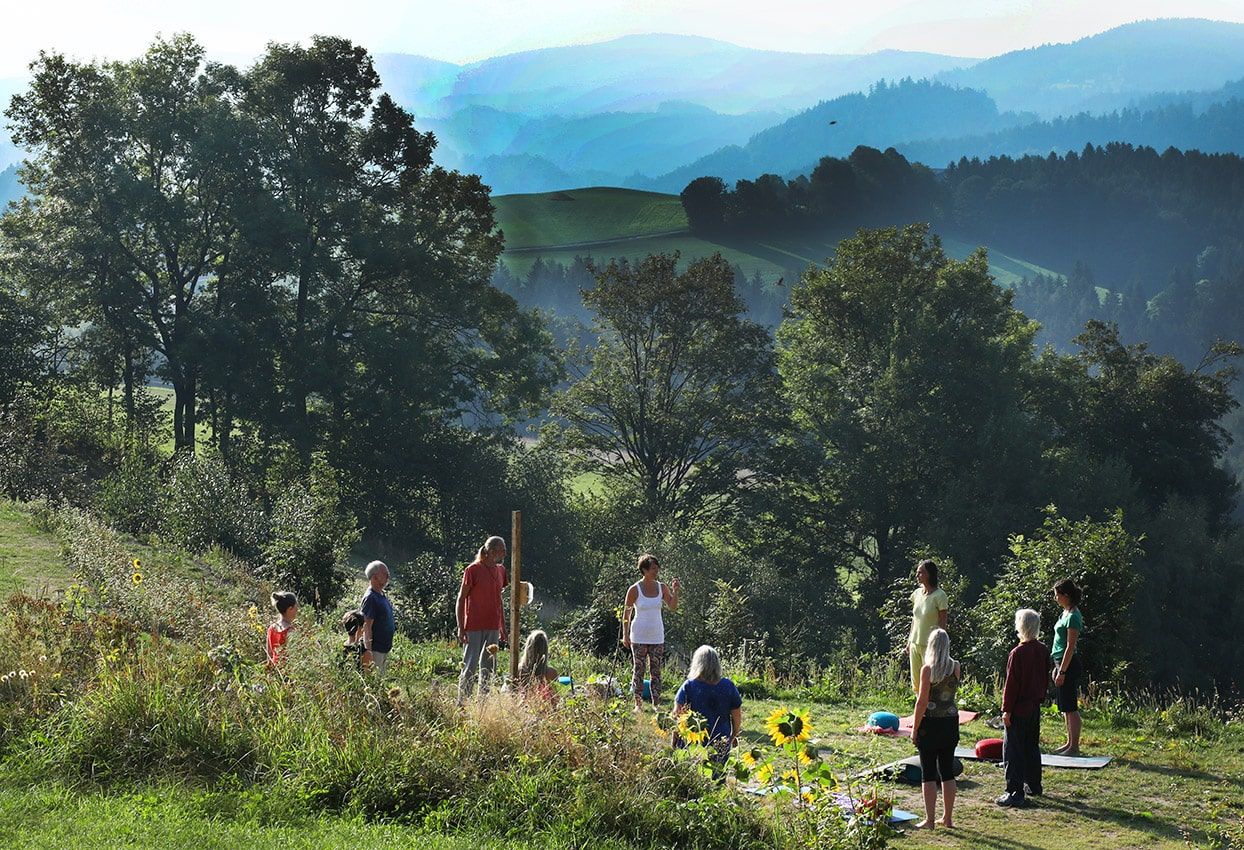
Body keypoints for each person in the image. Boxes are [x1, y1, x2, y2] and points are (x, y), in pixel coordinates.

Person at [997, 608, 1052, 808]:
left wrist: (1006, 710)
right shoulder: (1042, 649)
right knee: (1031, 747)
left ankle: (1015, 791)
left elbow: (1011, 685)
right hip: (1034, 706)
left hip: (1019, 707)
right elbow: (1045, 677)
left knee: (1012, 749)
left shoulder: (1017, 653)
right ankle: (1034, 784)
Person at [909, 628, 959, 830]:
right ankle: (947, 818)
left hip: (930, 724)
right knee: (947, 772)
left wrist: (915, 727)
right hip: (950, 722)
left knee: (928, 772)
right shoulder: (955, 666)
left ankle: (930, 820)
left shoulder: (927, 669)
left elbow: (922, 702)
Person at [621, 553, 679, 711]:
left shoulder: (662, 587)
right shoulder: (634, 589)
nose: (656, 570)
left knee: (656, 670)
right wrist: (625, 635)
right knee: (639, 670)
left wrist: (675, 591)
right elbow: (626, 614)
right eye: (653, 568)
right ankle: (638, 704)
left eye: (657, 567)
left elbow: (672, 607)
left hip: (657, 635)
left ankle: (656, 704)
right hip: (638, 635)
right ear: (644, 570)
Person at [457, 535, 509, 704]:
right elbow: (461, 598)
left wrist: (503, 626)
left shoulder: (501, 570)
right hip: (474, 625)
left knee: (488, 666)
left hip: (492, 624)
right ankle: (463, 702)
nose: (504, 554)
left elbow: (498, 599)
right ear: (491, 551)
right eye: (502, 550)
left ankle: (483, 703)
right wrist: (461, 627)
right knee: (470, 665)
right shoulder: (472, 570)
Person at [673, 645, 742, 764]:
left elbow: (677, 716)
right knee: (718, 776)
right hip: (720, 741)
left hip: (692, 743)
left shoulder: (688, 686)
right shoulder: (728, 686)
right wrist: (734, 735)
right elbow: (737, 716)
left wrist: (674, 740)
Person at [1051, 578, 1085, 755]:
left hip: (1069, 664)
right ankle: (1068, 742)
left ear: (1066, 595)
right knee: (1064, 706)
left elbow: (1070, 647)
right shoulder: (1065, 613)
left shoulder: (1073, 616)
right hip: (1060, 661)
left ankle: (1074, 746)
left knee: (1071, 707)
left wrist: (1062, 671)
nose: (1055, 598)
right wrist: (1057, 668)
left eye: (1057, 594)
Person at [907, 559, 949, 692]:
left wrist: (940, 645)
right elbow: (915, 619)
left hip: (930, 645)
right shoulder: (917, 594)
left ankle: (931, 709)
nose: (917, 575)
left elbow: (943, 622)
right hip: (915, 643)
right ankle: (919, 710)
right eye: (917, 572)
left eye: (921, 572)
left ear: (929, 574)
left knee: (930, 679)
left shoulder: (940, 596)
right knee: (916, 682)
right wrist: (909, 642)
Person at [360, 561, 395, 676]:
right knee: (375, 680)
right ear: (375, 577)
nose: (388, 576)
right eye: (385, 573)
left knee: (381, 680)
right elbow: (367, 627)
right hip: (375, 650)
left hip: (384, 648)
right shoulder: (371, 598)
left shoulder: (381, 594)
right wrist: (368, 651)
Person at [515, 629, 559, 700]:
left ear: (528, 648)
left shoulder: (518, 670)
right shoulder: (552, 673)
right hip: (544, 710)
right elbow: (555, 700)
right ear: (546, 649)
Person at [265, 591, 298, 667]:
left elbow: (269, 655)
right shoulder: (290, 631)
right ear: (290, 609)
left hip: (276, 670)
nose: (297, 610)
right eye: (296, 607)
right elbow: (294, 657)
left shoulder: (271, 628)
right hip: (289, 673)